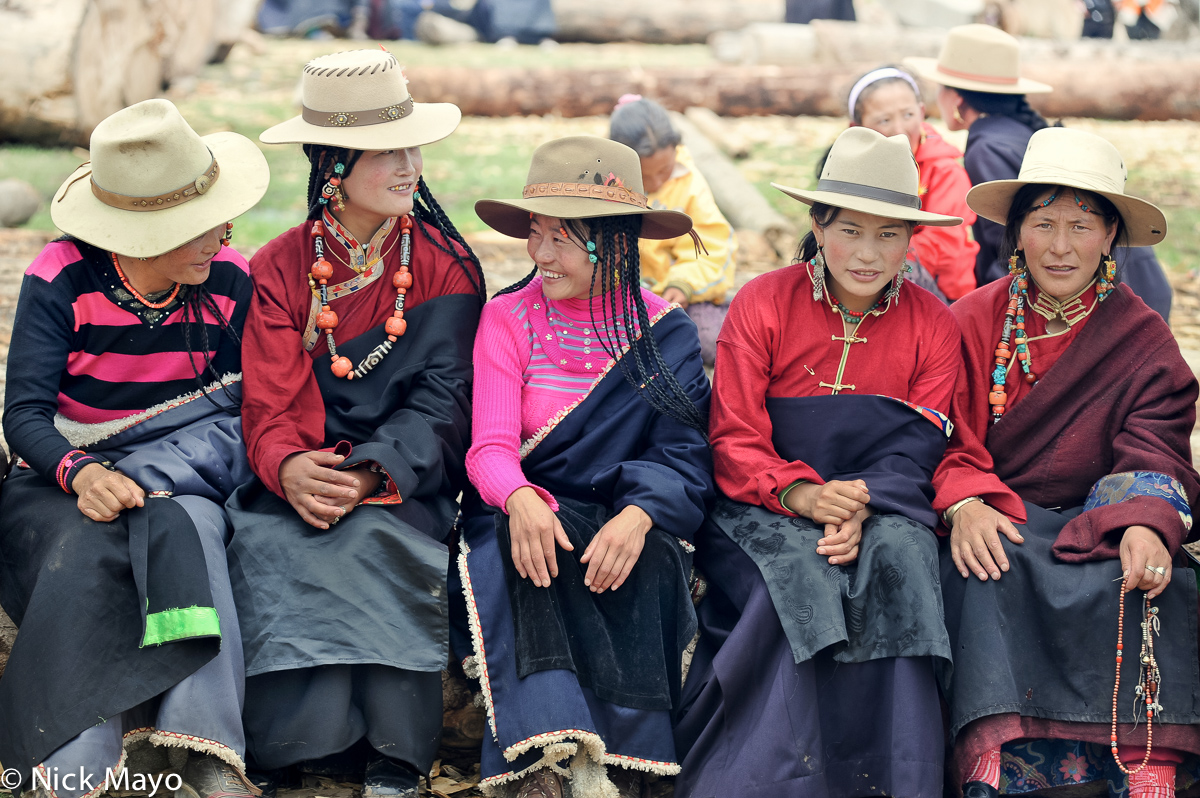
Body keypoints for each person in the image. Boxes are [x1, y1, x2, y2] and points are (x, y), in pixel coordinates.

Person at [224, 49, 487, 797]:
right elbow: (266, 401)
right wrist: (285, 466)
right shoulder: (280, 268)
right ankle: (294, 748)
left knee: (374, 534)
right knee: (278, 538)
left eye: (413, 147)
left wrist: (374, 471)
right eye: (388, 151)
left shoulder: (444, 265)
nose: (411, 166)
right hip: (298, 474)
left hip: (409, 477)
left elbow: (445, 403)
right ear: (333, 166)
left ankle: (394, 753)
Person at [675, 127, 965, 798]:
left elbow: (922, 442)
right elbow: (735, 436)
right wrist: (801, 495)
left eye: (890, 235)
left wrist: (859, 501)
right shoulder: (763, 303)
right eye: (851, 230)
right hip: (759, 504)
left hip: (883, 503)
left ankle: (898, 777)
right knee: (799, 578)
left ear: (912, 239)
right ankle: (771, 778)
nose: (868, 254)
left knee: (904, 564)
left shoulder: (933, 323)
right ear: (816, 222)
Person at [0, 99, 269, 798]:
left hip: (185, 476)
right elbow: (25, 414)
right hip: (63, 480)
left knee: (193, 525)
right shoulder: (61, 278)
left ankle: (207, 747)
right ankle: (75, 760)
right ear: (146, 236)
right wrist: (80, 472)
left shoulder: (230, 280)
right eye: (202, 228)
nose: (226, 233)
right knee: (87, 550)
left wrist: (162, 475)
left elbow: (248, 407)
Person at [933, 127, 1200, 798]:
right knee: (984, 566)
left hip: (1095, 521)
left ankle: (1145, 762)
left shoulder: (1140, 334)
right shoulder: (969, 322)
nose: (1060, 246)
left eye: (1080, 226)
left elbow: (1157, 437)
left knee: (1158, 578)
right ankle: (998, 756)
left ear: (1111, 235)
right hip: (1000, 514)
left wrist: (1142, 519)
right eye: (1043, 223)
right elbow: (941, 432)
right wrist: (965, 501)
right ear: (1015, 231)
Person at [455, 135, 714, 798]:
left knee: (648, 560)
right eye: (536, 235)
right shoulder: (506, 318)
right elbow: (489, 448)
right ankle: (541, 761)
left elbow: (682, 454)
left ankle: (622, 767)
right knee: (528, 550)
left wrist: (638, 516)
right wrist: (518, 499)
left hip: (623, 513)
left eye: (561, 239)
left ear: (617, 243)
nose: (540, 255)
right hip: (528, 504)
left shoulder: (667, 333)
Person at [905, 23, 1174, 320]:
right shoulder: (1018, 131)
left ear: (955, 98)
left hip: (1103, 302)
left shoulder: (987, 149)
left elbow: (1007, 250)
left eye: (940, 85)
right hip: (1135, 283)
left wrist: (991, 316)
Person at [609, 96, 737, 366]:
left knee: (709, 341)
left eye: (664, 170)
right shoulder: (602, 184)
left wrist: (683, 285)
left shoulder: (689, 184)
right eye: (644, 176)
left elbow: (711, 247)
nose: (656, 182)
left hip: (676, 296)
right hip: (616, 297)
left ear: (677, 149)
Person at [844, 66, 978, 300]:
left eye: (908, 115)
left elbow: (942, 242)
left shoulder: (944, 171)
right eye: (884, 120)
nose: (899, 130)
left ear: (922, 112)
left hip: (939, 291)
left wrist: (880, 255)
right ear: (857, 128)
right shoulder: (849, 169)